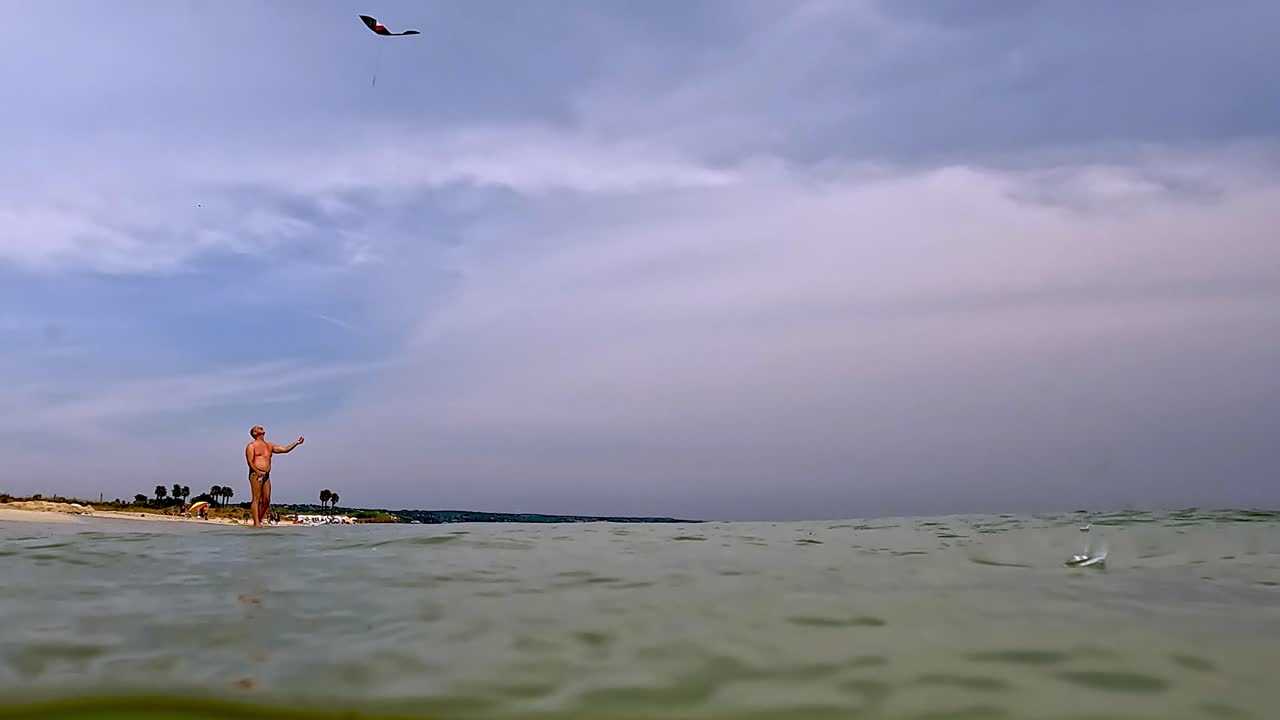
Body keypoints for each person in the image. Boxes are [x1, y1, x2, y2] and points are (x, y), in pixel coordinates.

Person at [244, 425, 304, 528]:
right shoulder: (251, 446)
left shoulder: (269, 446)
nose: (261, 427)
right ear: (254, 433)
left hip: (266, 475)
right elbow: (249, 461)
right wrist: (257, 471)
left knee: (266, 500)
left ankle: (258, 519)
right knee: (256, 498)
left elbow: (285, 449)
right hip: (256, 473)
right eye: (258, 428)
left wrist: (296, 443)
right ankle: (256, 523)